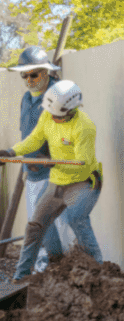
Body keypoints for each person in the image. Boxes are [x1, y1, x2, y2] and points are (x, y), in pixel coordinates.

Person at [9, 79, 102, 280]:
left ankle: (98, 271)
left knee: (75, 218)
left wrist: (50, 163)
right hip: (59, 181)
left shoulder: (84, 127)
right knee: (35, 224)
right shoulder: (48, 115)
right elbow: (35, 139)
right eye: (51, 114)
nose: (54, 118)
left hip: (84, 182)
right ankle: (22, 276)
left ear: (72, 109)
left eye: (58, 116)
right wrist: (12, 151)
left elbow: (83, 164)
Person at [6, 47, 69, 271]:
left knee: (47, 221)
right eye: (24, 75)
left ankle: (57, 265)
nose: (28, 80)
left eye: (33, 74)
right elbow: (27, 135)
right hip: (32, 171)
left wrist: (52, 156)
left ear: (46, 72)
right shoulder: (26, 99)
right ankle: (45, 266)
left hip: (54, 172)